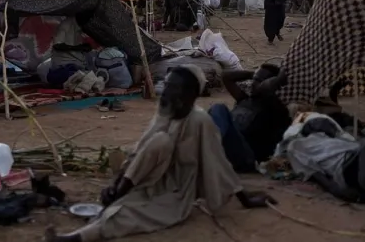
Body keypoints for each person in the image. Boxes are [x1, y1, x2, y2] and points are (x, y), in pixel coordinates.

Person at [44, 65, 275, 242]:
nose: (165, 93)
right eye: (167, 86)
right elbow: (142, 152)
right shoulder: (165, 113)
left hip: (176, 194)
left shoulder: (200, 122)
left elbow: (220, 164)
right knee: (158, 142)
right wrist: (117, 184)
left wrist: (246, 199)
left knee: (125, 216)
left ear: (191, 95)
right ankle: (119, 195)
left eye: (173, 89)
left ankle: (76, 238)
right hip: (150, 180)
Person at [209, 63, 290, 173]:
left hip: (245, 158)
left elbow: (267, 90)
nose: (253, 85)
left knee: (219, 109)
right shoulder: (244, 100)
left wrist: (275, 80)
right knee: (213, 111)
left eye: (258, 83)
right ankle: (208, 145)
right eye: (254, 82)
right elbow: (226, 77)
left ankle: (209, 146)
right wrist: (254, 74)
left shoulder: (275, 110)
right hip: (226, 147)